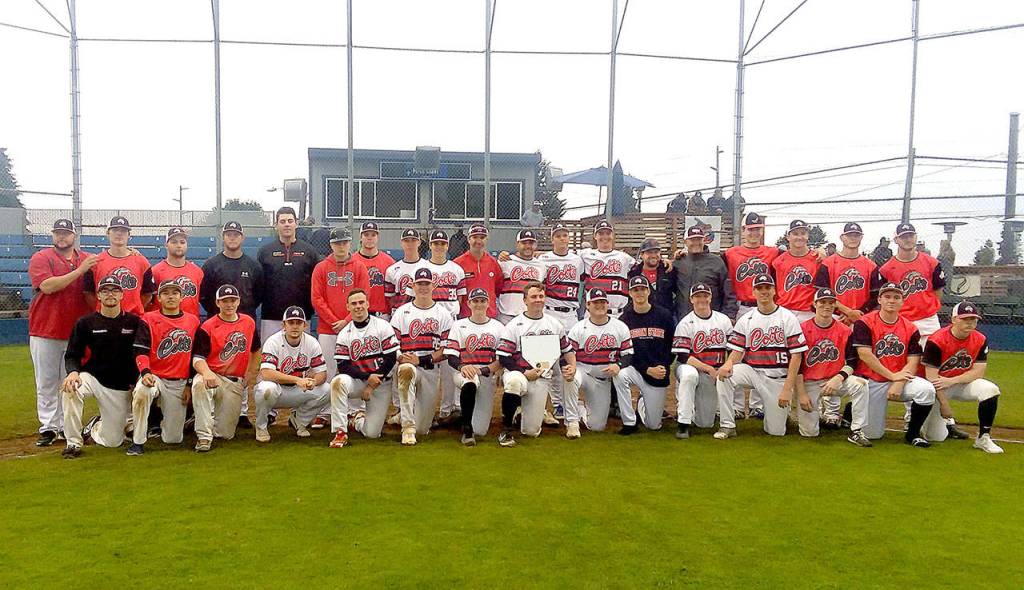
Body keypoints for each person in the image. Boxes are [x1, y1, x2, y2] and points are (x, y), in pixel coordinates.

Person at [878, 222, 964, 437]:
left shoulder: (931, 262)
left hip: (928, 321)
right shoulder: (887, 268)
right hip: (902, 322)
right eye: (903, 236)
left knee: (935, 368)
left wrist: (927, 309)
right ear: (896, 239)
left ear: (915, 238)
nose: (907, 239)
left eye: (910, 235)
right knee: (909, 369)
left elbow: (937, 292)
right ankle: (911, 421)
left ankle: (944, 420)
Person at [714, 274, 807, 439]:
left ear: (774, 291)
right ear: (753, 292)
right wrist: (729, 363)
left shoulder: (787, 317)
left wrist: (787, 389)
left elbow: (797, 356)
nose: (764, 292)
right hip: (753, 372)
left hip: (777, 379)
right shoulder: (747, 318)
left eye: (767, 288)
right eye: (759, 288)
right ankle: (727, 425)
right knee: (724, 376)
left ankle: (781, 416)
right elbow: (737, 349)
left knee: (776, 431)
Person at [60, 276, 143, 459]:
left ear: (122, 294)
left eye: (114, 290)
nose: (110, 294)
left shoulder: (134, 322)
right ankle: (73, 443)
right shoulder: (85, 323)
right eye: (105, 291)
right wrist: (73, 373)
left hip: (120, 386)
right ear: (98, 295)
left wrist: (136, 379)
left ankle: (95, 426)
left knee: (113, 442)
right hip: (93, 377)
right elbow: (73, 354)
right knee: (70, 389)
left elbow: (141, 355)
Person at [28, 219, 95, 447]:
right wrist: (80, 271)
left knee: (73, 380)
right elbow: (47, 286)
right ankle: (48, 427)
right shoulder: (42, 257)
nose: (62, 237)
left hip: (76, 331)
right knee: (46, 381)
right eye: (58, 233)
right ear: (52, 235)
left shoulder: (85, 259)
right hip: (45, 328)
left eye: (66, 233)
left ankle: (68, 426)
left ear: (74, 235)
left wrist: (132, 251)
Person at [850, 282, 939, 447]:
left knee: (926, 390)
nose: (891, 300)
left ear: (902, 301)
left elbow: (913, 361)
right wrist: (891, 376)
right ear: (880, 299)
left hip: (899, 378)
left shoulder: (910, 327)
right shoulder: (864, 322)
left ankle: (913, 434)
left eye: (896, 297)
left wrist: (898, 382)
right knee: (873, 434)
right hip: (873, 380)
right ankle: (852, 411)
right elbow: (865, 354)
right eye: (887, 296)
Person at [199, 220, 264, 429]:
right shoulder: (211, 264)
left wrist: (241, 313)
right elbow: (205, 296)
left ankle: (243, 411)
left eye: (236, 234)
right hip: (217, 322)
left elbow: (259, 294)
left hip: (245, 320)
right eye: (228, 234)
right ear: (223, 237)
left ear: (242, 237)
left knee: (241, 365)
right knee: (216, 363)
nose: (232, 237)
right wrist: (219, 314)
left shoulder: (253, 265)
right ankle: (210, 408)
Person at [496, 282, 576, 447]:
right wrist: (524, 372)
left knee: (531, 432)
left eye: (541, 296)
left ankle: (520, 413)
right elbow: (504, 357)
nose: (538, 299)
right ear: (525, 300)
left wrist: (572, 366)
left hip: (541, 377)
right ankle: (506, 430)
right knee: (513, 382)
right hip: (519, 372)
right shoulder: (514, 325)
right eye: (533, 296)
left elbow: (567, 350)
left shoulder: (554, 324)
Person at [721, 212, 783, 419]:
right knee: (735, 354)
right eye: (751, 229)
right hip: (740, 307)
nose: (755, 232)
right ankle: (737, 406)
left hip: (765, 307)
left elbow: (797, 255)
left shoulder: (773, 252)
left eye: (758, 229)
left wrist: (818, 252)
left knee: (763, 353)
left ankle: (758, 405)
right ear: (743, 230)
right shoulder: (730, 253)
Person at [127, 280, 201, 455]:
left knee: (173, 439)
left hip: (179, 380)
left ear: (181, 297)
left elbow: (195, 357)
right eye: (166, 293)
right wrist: (145, 372)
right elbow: (141, 350)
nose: (170, 297)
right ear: (159, 298)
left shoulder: (193, 321)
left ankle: (170, 423)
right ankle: (138, 441)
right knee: (142, 392)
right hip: (155, 376)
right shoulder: (149, 319)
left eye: (175, 293)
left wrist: (189, 384)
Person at [921, 301, 1004, 453]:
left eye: (973, 319)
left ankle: (983, 438)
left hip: (960, 383)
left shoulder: (980, 339)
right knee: (935, 436)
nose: (969, 323)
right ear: (953, 319)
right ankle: (946, 425)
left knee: (990, 389)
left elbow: (978, 372)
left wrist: (952, 380)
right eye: (965, 319)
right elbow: (931, 377)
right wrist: (944, 404)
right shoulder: (936, 340)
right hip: (938, 387)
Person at [310, 227, 370, 428]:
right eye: (337, 243)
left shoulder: (359, 267)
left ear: (350, 243)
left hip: (353, 327)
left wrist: (346, 320)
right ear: (331, 245)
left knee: (355, 368)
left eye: (344, 242)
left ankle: (354, 410)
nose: (341, 246)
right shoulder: (321, 267)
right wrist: (334, 321)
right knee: (327, 370)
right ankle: (325, 411)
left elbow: (363, 296)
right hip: (328, 328)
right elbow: (317, 298)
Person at [191, 285, 262, 451]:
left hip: (234, 381)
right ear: (217, 303)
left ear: (238, 301)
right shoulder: (208, 326)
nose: (229, 304)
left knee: (225, 434)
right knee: (200, 384)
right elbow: (198, 359)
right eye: (224, 301)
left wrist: (250, 374)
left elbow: (256, 349)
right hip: (213, 375)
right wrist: (207, 372)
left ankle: (201, 419)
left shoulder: (248, 323)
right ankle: (203, 437)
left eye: (232, 300)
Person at [794, 288, 869, 443]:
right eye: (822, 302)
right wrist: (801, 393)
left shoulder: (845, 330)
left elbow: (853, 361)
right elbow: (797, 365)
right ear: (814, 304)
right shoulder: (801, 329)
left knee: (861, 384)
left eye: (831, 303)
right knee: (809, 433)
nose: (827, 306)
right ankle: (815, 414)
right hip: (810, 383)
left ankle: (857, 430)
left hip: (835, 380)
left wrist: (839, 378)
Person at [328, 289, 401, 448]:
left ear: (368, 304)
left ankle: (357, 421)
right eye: (354, 303)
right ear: (347, 307)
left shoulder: (382, 325)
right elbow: (343, 365)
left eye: (361, 302)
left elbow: (391, 357)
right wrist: (367, 379)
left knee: (372, 434)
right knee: (338, 382)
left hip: (381, 382)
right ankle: (340, 431)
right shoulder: (344, 333)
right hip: (359, 381)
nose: (358, 306)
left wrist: (374, 382)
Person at [391, 268, 453, 446]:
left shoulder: (443, 314)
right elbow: (392, 344)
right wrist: (400, 357)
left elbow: (446, 350)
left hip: (430, 368)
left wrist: (422, 360)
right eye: (420, 284)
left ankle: (406, 417)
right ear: (413, 286)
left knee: (423, 429)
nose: (423, 287)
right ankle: (407, 427)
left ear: (433, 286)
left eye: (427, 284)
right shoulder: (402, 312)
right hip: (407, 364)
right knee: (406, 371)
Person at [253, 306, 330, 443]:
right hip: (277, 389)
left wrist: (313, 382)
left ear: (305, 325)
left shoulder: (312, 342)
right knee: (265, 389)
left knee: (327, 389)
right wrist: (297, 380)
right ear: (284, 325)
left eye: (298, 323)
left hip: (298, 390)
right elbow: (266, 373)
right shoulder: (273, 341)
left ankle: (299, 421)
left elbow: (322, 373)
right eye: (291, 322)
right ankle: (261, 427)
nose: (295, 326)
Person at [562, 289, 633, 438]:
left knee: (597, 426)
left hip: (603, 380)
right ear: (587, 305)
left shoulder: (620, 326)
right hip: (583, 372)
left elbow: (629, 354)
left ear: (607, 304)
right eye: (595, 302)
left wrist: (618, 365)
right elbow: (566, 354)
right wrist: (570, 368)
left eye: (602, 302)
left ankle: (580, 408)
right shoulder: (579, 328)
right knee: (570, 377)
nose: (599, 305)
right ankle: (572, 423)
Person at [672, 283, 734, 439]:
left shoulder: (723, 320)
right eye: (697, 296)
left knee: (705, 423)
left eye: (705, 295)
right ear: (691, 299)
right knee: (689, 376)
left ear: (710, 297)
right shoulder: (685, 323)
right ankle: (683, 423)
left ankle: (695, 413)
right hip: (688, 367)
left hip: (712, 371)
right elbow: (683, 356)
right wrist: (709, 369)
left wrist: (725, 367)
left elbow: (732, 349)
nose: (702, 299)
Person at [445, 288, 505, 446]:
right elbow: (451, 356)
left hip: (486, 373)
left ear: (488, 303)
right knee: (470, 382)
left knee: (481, 430)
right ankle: (466, 429)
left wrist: (482, 370)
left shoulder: (498, 327)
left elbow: (502, 359)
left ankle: (461, 418)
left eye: (482, 300)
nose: (479, 304)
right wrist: (462, 366)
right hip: (463, 372)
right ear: (469, 303)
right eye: (475, 301)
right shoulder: (459, 325)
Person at [537, 222, 585, 418]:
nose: (562, 238)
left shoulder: (578, 260)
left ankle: (570, 400)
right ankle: (557, 403)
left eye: (565, 235)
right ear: (552, 239)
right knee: (549, 360)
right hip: (551, 312)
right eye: (558, 235)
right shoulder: (544, 259)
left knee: (571, 358)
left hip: (571, 314)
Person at [617, 275, 675, 433]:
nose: (639, 293)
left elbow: (671, 347)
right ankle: (629, 422)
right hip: (637, 369)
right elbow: (627, 354)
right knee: (620, 375)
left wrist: (663, 367)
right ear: (630, 293)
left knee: (653, 425)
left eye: (642, 289)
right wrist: (646, 369)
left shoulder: (664, 315)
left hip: (658, 371)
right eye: (635, 290)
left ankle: (642, 403)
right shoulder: (624, 319)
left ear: (649, 291)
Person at [421, 229, 468, 421]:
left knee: (450, 367)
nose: (439, 247)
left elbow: (462, 298)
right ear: (430, 246)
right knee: (430, 368)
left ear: (447, 246)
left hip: (450, 323)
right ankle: (427, 411)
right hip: (428, 323)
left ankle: (449, 409)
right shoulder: (422, 268)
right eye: (435, 243)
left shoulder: (456, 269)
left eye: (442, 244)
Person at [257, 206, 321, 340]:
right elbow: (259, 284)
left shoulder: (309, 251)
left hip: (301, 317)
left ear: (296, 223)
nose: (287, 224)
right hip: (272, 317)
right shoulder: (265, 252)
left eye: (290, 221)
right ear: (276, 225)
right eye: (283, 221)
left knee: (299, 358)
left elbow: (317, 284)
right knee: (270, 356)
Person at [82, 215, 155, 316]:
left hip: (133, 319)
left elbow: (147, 294)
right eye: (115, 230)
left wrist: (131, 312)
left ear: (129, 235)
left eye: (123, 231)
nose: (119, 233)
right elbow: (88, 293)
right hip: (103, 318)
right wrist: (104, 311)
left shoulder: (142, 262)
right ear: (107, 233)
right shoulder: (95, 262)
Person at [814, 222, 881, 326]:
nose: (853, 238)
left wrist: (858, 313)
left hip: (862, 316)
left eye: (856, 235)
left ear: (861, 237)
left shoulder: (871, 265)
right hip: (834, 316)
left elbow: (875, 297)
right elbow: (820, 293)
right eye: (849, 235)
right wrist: (848, 312)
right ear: (842, 237)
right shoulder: (828, 263)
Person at [671, 226, 736, 319]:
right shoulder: (678, 262)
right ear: (685, 242)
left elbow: (728, 292)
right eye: (692, 240)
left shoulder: (717, 262)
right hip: (683, 320)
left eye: (699, 239)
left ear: (704, 240)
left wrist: (729, 316)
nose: (696, 243)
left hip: (711, 321)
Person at [580, 220, 635, 316]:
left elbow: (645, 267)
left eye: (608, 233)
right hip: (593, 313)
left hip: (617, 314)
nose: (605, 236)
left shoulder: (624, 257)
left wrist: (665, 261)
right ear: (595, 236)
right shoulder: (585, 254)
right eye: (601, 233)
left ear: (613, 236)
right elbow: (565, 258)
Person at [149, 227, 204, 317]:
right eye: (174, 242)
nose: (179, 245)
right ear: (166, 245)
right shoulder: (156, 271)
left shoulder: (197, 271)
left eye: (182, 242)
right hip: (164, 324)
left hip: (190, 325)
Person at [771, 219, 818, 323]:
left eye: (803, 233)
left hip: (809, 312)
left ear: (808, 236)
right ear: (788, 237)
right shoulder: (778, 261)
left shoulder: (817, 259)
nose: (799, 237)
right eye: (795, 234)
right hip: (784, 310)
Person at [497, 229, 547, 324]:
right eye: (524, 243)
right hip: (507, 316)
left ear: (535, 245)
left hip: (532, 317)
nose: (528, 246)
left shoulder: (542, 266)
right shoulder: (505, 262)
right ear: (517, 244)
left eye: (531, 243)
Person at [454, 223, 503, 319]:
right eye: (475, 237)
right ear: (468, 239)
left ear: (487, 239)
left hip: (490, 317)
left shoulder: (493, 262)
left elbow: (498, 288)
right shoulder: (458, 263)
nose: (478, 241)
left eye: (482, 237)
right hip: (466, 318)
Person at [354, 221, 396, 320]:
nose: (370, 237)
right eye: (366, 234)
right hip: (358, 312)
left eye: (373, 234)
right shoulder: (352, 261)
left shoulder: (389, 261)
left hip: (382, 314)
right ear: (360, 237)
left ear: (377, 237)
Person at [384, 228, 429, 314]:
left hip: (422, 313)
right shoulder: (392, 270)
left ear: (419, 243)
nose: (410, 244)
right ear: (401, 243)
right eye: (406, 241)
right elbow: (389, 298)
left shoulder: (428, 267)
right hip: (399, 315)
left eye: (413, 240)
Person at [629, 238, 676, 313]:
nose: (653, 255)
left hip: (667, 318)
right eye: (649, 252)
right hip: (643, 317)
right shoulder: (634, 274)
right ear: (641, 254)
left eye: (656, 252)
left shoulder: (669, 270)